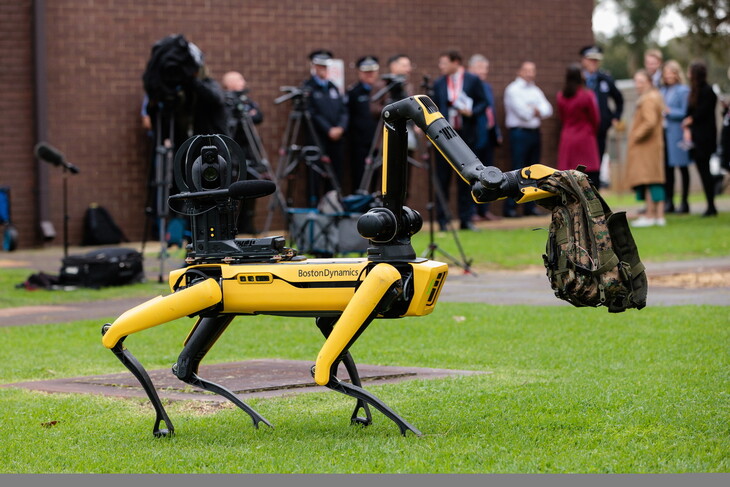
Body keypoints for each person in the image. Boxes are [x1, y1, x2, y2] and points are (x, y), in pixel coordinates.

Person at [432, 50, 488, 230]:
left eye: (444, 63)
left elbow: (483, 102)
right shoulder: (439, 83)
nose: (441, 67)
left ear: (455, 62)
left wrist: (472, 112)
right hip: (444, 136)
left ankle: (466, 218)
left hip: (465, 134)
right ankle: (442, 220)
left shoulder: (472, 80)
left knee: (467, 178)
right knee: (442, 178)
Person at [502, 60, 553, 218]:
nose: (530, 73)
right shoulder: (513, 89)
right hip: (519, 133)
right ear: (520, 71)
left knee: (533, 171)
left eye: (533, 70)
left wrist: (535, 110)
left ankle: (530, 207)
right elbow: (522, 113)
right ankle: (511, 208)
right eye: (527, 70)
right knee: (517, 170)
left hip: (534, 133)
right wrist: (536, 110)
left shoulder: (535, 90)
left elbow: (548, 110)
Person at [303, 50, 349, 204]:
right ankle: (314, 207)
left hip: (336, 140)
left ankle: (333, 206)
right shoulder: (308, 87)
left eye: (325, 66)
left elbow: (344, 110)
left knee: (336, 175)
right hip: (317, 139)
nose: (322, 69)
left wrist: (340, 128)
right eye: (319, 65)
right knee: (315, 175)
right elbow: (312, 113)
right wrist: (328, 129)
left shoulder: (333, 87)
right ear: (314, 66)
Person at [222, 71, 265, 234]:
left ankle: (248, 223)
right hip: (233, 152)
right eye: (240, 79)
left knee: (251, 186)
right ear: (230, 83)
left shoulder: (246, 101)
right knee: (233, 189)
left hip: (249, 151)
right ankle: (231, 225)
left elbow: (258, 116)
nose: (243, 82)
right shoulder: (226, 102)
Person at [626, 70, 666, 227]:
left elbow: (650, 122)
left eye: (641, 81)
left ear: (649, 82)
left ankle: (652, 216)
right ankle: (656, 216)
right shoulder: (653, 97)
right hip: (651, 146)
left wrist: (635, 135)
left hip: (647, 146)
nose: (637, 85)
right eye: (636, 81)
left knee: (651, 180)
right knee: (652, 181)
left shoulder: (649, 99)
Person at [467, 54, 501, 221]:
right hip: (474, 135)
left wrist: (497, 132)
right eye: (479, 68)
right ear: (470, 69)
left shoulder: (487, 87)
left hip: (488, 135)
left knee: (490, 172)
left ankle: (485, 209)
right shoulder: (468, 87)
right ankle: (472, 210)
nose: (483, 72)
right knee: (474, 174)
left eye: (485, 68)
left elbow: (491, 111)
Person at [683, 60, 719, 216]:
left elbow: (702, 112)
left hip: (705, 138)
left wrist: (690, 120)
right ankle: (710, 204)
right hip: (695, 138)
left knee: (705, 172)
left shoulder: (708, 91)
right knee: (702, 171)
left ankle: (711, 205)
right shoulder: (693, 91)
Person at [580, 46, 624, 172]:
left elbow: (619, 99)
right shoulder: (579, 80)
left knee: (597, 162)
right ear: (584, 60)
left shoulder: (605, 79)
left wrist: (615, 117)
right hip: (583, 129)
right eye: (590, 60)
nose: (593, 63)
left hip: (600, 129)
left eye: (596, 60)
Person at [556, 63, 601, 187]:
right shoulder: (587, 95)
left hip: (567, 137)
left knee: (569, 176)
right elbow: (595, 119)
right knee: (589, 175)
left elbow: (562, 117)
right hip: (585, 137)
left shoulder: (561, 96)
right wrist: (591, 131)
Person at [659, 60, 691, 214]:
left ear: (677, 74)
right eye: (666, 73)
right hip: (664, 134)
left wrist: (669, 111)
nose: (668, 75)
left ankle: (684, 202)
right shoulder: (663, 91)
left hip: (678, 134)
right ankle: (669, 201)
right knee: (668, 169)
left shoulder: (683, 90)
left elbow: (685, 112)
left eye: (671, 72)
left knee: (682, 167)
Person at [346, 56, 381, 194]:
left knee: (378, 177)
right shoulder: (354, 92)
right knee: (360, 176)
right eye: (366, 71)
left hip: (379, 141)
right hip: (360, 142)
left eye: (372, 71)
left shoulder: (381, 91)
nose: (370, 75)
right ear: (360, 72)